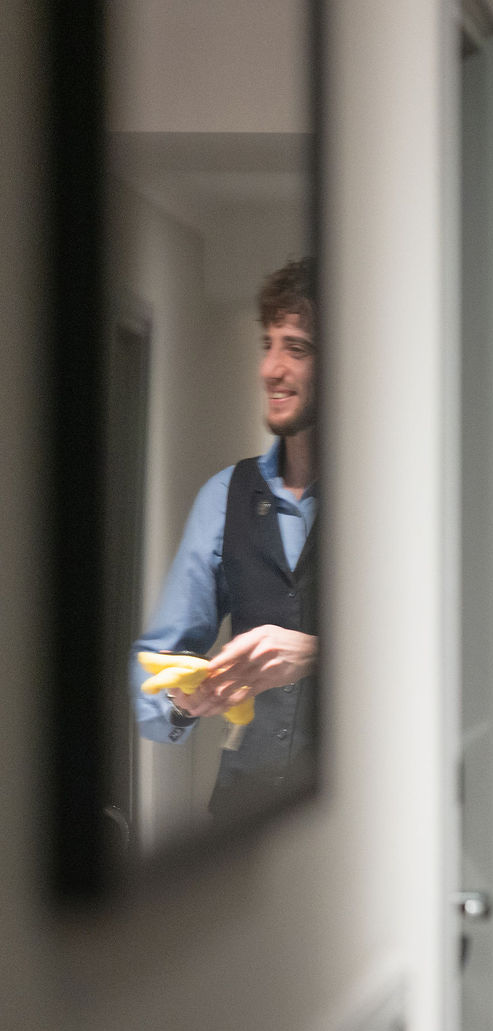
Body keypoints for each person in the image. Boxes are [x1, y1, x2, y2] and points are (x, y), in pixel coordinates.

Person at [133, 256, 321, 821]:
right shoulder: (224, 496)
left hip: (364, 822)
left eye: (296, 348)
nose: (271, 369)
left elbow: (440, 661)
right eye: (267, 345)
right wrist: (181, 700)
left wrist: (316, 654)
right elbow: (155, 663)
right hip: (245, 816)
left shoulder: (392, 499)